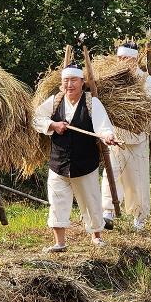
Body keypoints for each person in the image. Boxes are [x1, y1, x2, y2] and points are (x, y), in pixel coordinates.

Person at [33, 64, 118, 252]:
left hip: (85, 162)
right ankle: (59, 242)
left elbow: (103, 126)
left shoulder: (91, 102)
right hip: (58, 163)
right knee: (57, 201)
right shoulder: (55, 101)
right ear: (61, 84)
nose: (69, 85)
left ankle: (96, 236)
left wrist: (107, 136)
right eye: (66, 81)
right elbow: (36, 118)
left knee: (90, 200)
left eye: (73, 80)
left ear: (82, 82)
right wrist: (53, 125)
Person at [101, 42, 151, 231]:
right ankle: (107, 212)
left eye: (126, 59)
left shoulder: (148, 81)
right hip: (115, 137)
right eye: (119, 58)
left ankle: (139, 218)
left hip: (137, 138)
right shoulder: (112, 80)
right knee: (111, 173)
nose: (122, 62)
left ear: (135, 60)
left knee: (137, 180)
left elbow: (145, 111)